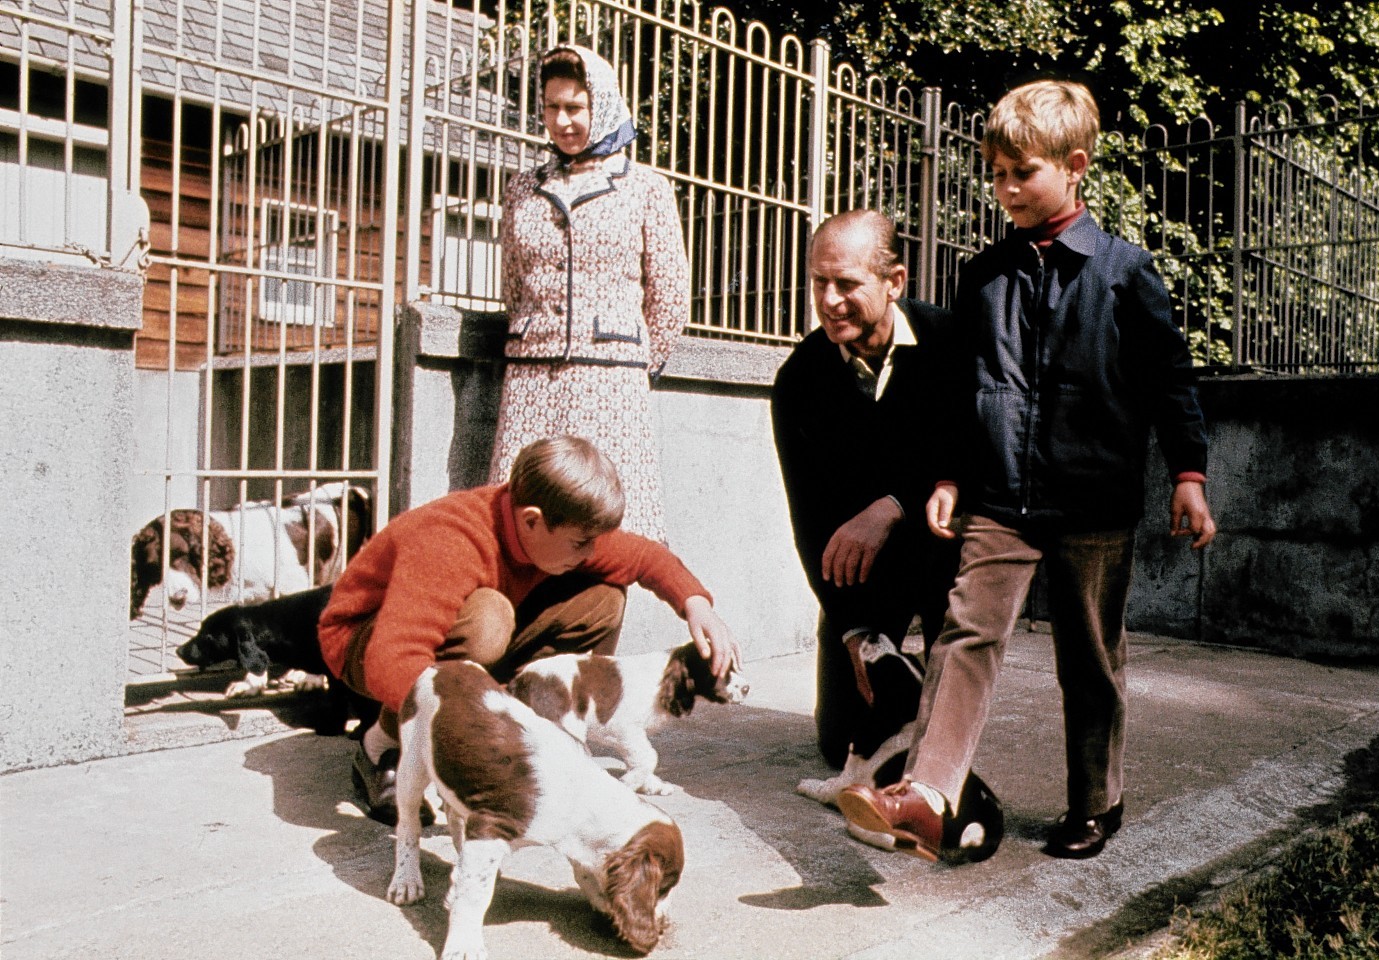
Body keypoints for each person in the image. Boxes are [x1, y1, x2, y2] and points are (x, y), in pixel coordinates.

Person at [838, 79, 1217, 862]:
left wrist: (1189, 473)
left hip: (1094, 498)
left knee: (1090, 654)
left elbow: (1169, 379)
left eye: (1023, 173)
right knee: (965, 631)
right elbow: (958, 391)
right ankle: (929, 791)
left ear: (1074, 166)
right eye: (997, 173)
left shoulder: (1124, 272)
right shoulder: (984, 276)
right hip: (1000, 494)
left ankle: (1095, 800)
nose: (1006, 189)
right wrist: (946, 475)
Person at [319, 435, 739, 825]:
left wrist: (697, 605)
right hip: (366, 642)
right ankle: (379, 749)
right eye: (581, 543)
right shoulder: (451, 538)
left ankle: (538, 733)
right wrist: (471, 737)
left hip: (442, 638)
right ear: (533, 520)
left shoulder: (555, 524)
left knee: (604, 598)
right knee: (488, 618)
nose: (592, 552)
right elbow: (394, 660)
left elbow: (643, 557)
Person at [771, 209, 963, 772]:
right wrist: (855, 633)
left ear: (894, 282)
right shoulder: (799, 380)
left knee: (937, 746)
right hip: (865, 572)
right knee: (841, 746)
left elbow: (972, 453)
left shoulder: (950, 343)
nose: (830, 301)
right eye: (818, 283)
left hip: (944, 549)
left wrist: (893, 505)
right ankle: (892, 674)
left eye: (847, 284)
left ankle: (941, 685)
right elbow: (810, 523)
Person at [488, 44, 690, 544]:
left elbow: (669, 292)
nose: (562, 121)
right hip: (531, 378)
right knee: (527, 520)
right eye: (552, 108)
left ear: (601, 104)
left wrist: (635, 361)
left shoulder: (645, 188)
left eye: (575, 108)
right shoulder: (521, 188)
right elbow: (514, 281)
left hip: (610, 382)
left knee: (604, 524)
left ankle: (596, 620)